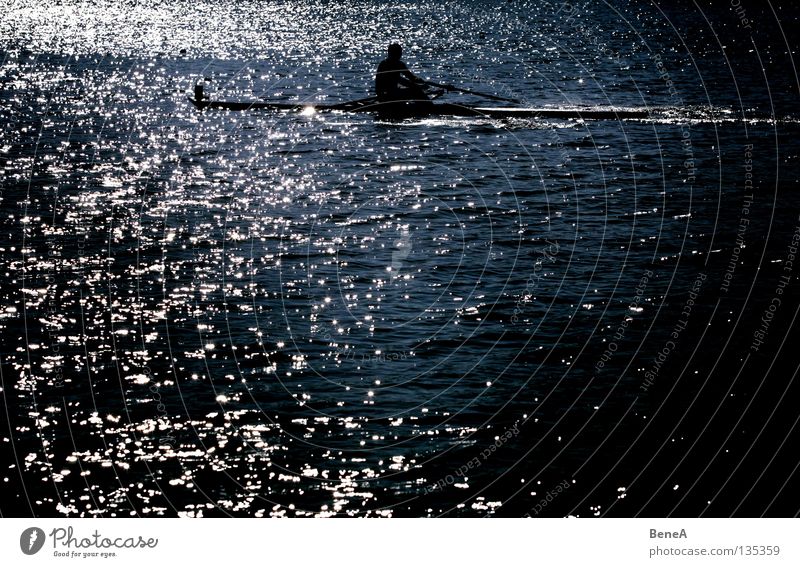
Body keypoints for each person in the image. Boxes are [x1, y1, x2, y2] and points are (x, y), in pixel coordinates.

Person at [375, 43, 448, 104]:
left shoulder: (399, 64)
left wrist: (419, 84)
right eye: (398, 53)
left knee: (416, 88)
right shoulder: (385, 65)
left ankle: (424, 105)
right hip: (385, 95)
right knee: (415, 90)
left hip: (392, 92)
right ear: (391, 53)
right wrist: (418, 86)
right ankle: (428, 107)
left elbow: (410, 78)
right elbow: (408, 80)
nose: (400, 55)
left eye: (400, 53)